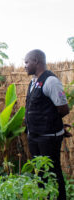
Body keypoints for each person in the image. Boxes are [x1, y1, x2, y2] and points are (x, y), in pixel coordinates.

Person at [24, 49, 69, 200]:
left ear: (36, 61)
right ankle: (44, 197)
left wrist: (51, 124)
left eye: (26, 62)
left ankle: (60, 197)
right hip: (34, 136)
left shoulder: (51, 81)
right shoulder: (33, 82)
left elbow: (63, 109)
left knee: (54, 171)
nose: (24, 66)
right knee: (39, 172)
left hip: (48, 138)